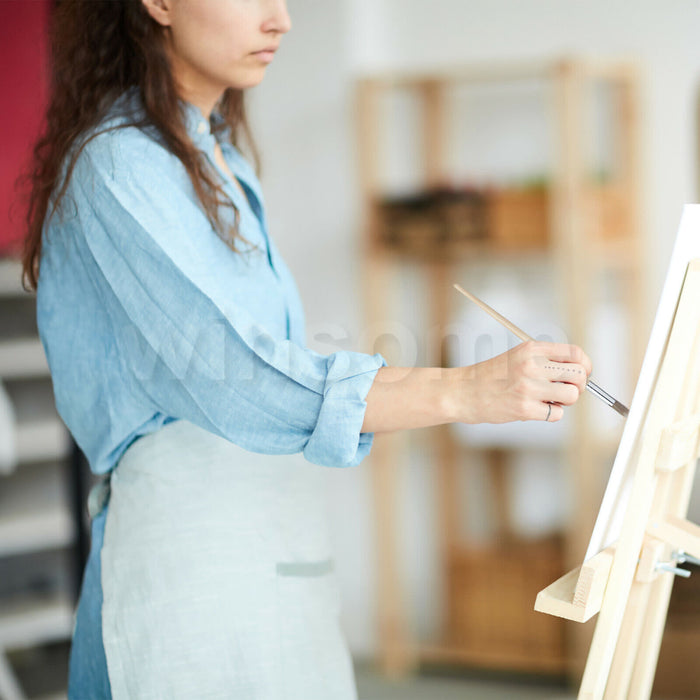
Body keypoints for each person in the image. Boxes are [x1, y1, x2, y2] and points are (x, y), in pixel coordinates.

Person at [22, 0, 592, 698]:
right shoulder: (118, 167)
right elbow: (237, 376)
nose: (281, 19)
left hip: (263, 549)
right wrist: (464, 391)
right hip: (186, 570)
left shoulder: (218, 156)